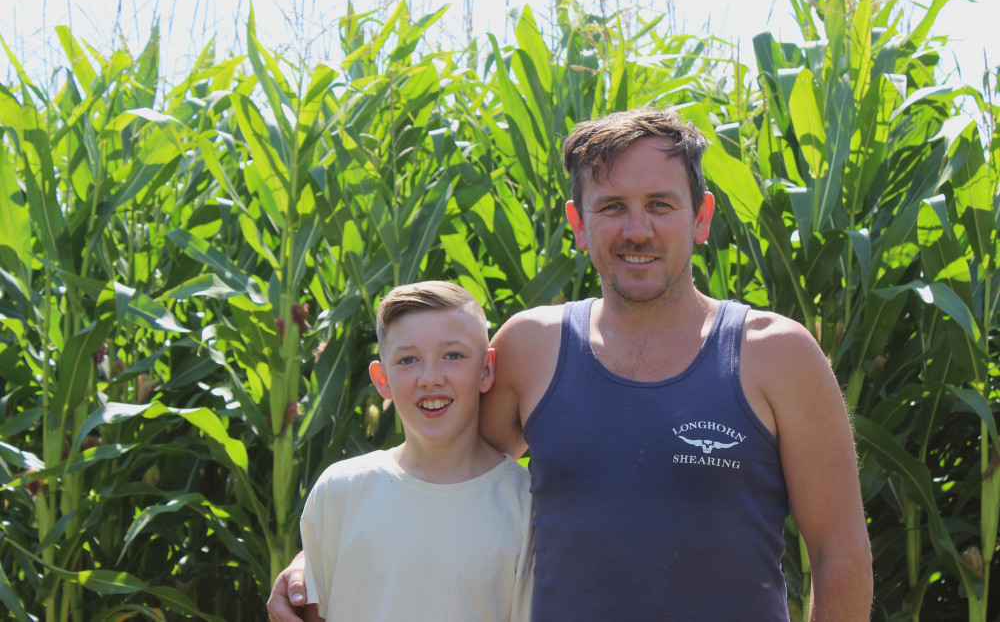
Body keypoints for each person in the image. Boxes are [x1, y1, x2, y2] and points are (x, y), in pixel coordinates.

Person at [268, 108, 873, 621]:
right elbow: (438, 477)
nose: (637, 229)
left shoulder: (777, 354)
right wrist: (318, 558)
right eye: (611, 207)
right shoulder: (532, 350)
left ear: (702, 216)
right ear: (578, 225)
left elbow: (839, 553)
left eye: (660, 204)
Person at [286, 281, 533, 622]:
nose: (430, 378)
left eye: (453, 355)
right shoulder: (339, 491)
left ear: (486, 369)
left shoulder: (525, 505)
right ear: (381, 378)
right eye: (408, 360)